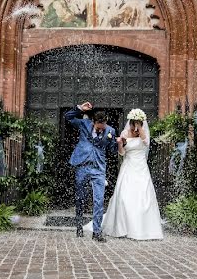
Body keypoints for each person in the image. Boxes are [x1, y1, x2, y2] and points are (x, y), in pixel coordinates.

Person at [93, 108, 163, 240]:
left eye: (137, 124)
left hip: (141, 168)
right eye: (133, 124)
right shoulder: (125, 132)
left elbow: (146, 142)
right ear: (129, 123)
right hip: (128, 167)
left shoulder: (144, 133)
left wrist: (139, 128)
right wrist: (120, 143)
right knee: (125, 197)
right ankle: (123, 227)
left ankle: (142, 229)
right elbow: (122, 153)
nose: (133, 127)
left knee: (143, 197)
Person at [67, 102, 119, 242]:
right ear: (94, 122)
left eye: (103, 127)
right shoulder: (84, 124)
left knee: (99, 200)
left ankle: (97, 232)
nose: (101, 130)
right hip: (82, 165)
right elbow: (68, 117)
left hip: (98, 169)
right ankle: (79, 225)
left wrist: (120, 143)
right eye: (98, 127)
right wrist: (79, 109)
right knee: (80, 197)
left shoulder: (110, 131)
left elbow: (113, 150)